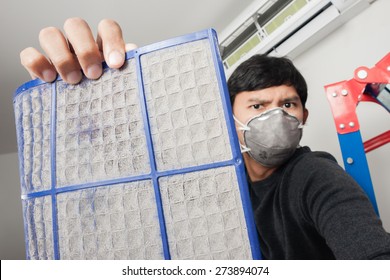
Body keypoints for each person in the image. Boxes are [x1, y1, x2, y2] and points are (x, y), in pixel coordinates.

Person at [20, 18, 390, 259]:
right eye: (257, 105)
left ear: (303, 117)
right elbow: (126, 187)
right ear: (229, 119)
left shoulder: (314, 176)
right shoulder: (204, 184)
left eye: (288, 104)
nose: (275, 116)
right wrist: (106, 94)